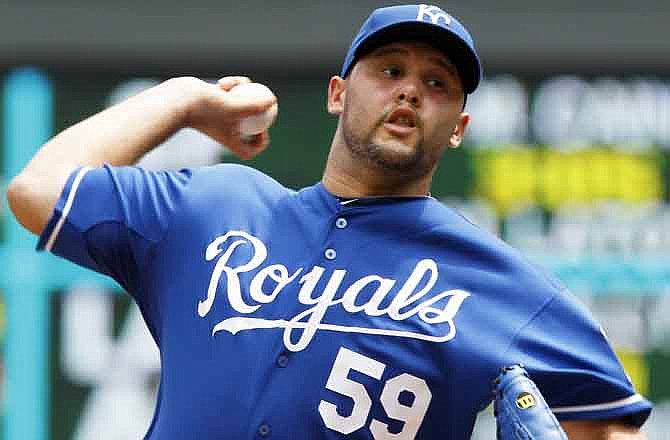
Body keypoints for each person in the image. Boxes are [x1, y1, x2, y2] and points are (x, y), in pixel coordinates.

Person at [7, 4, 652, 439]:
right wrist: (183, 100)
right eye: (391, 70)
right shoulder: (213, 208)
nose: (409, 91)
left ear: (458, 128)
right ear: (338, 92)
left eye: (437, 83)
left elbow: (611, 427)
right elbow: (37, 189)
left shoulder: (502, 287)